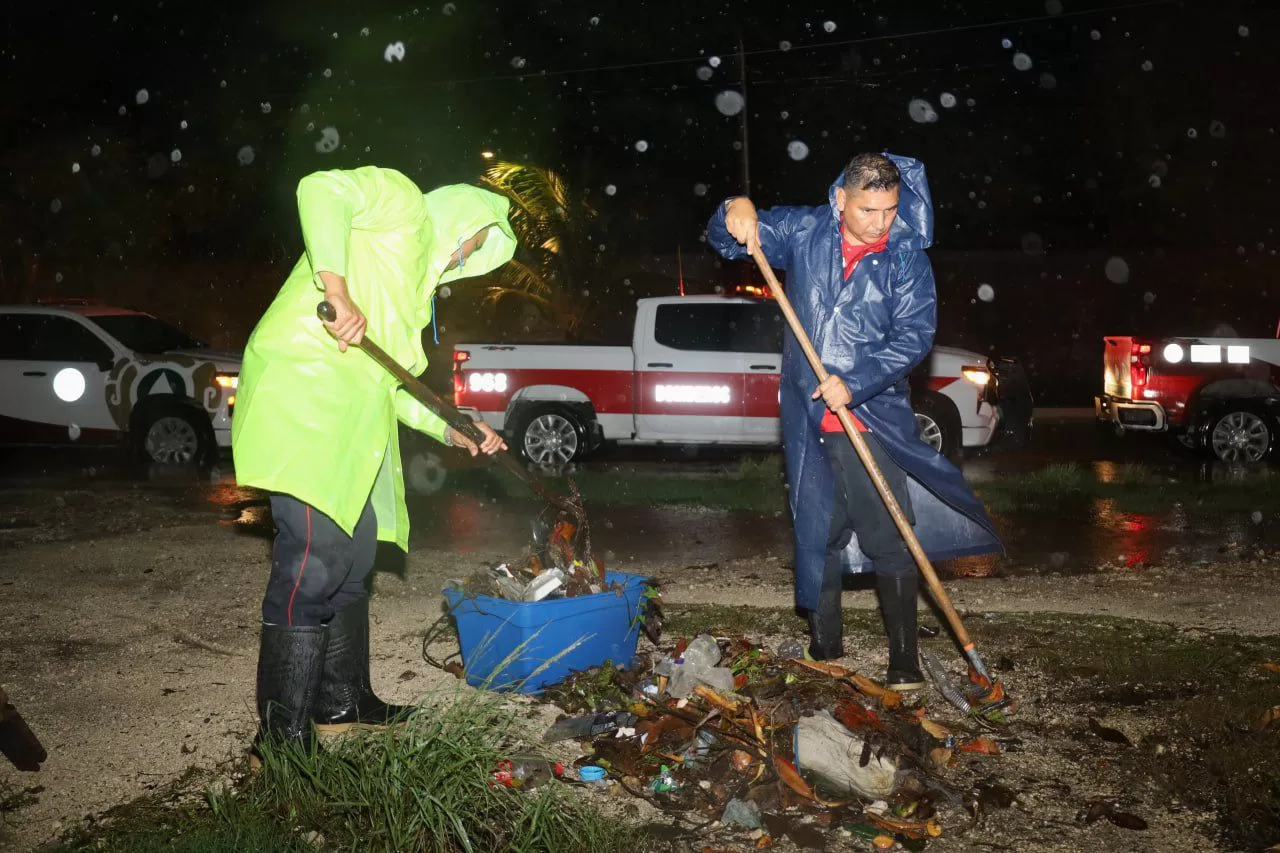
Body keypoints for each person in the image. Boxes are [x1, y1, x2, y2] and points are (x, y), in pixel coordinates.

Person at [232, 165, 516, 750]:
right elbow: (319, 188)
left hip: (352, 424)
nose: (466, 258)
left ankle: (343, 700)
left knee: (354, 559)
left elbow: (395, 389)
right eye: (474, 242)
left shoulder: (413, 297)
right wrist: (335, 289)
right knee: (312, 562)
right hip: (305, 399)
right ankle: (281, 740)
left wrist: (454, 429)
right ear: (462, 218)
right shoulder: (403, 206)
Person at [706, 152, 1002, 690]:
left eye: (890, 210)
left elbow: (914, 337)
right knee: (817, 532)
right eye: (868, 210)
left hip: (872, 420)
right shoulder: (804, 230)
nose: (881, 223)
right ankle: (825, 649)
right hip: (808, 419)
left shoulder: (906, 257)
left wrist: (856, 380)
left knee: (890, 536)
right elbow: (730, 237)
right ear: (840, 198)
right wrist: (735, 207)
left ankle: (904, 664)